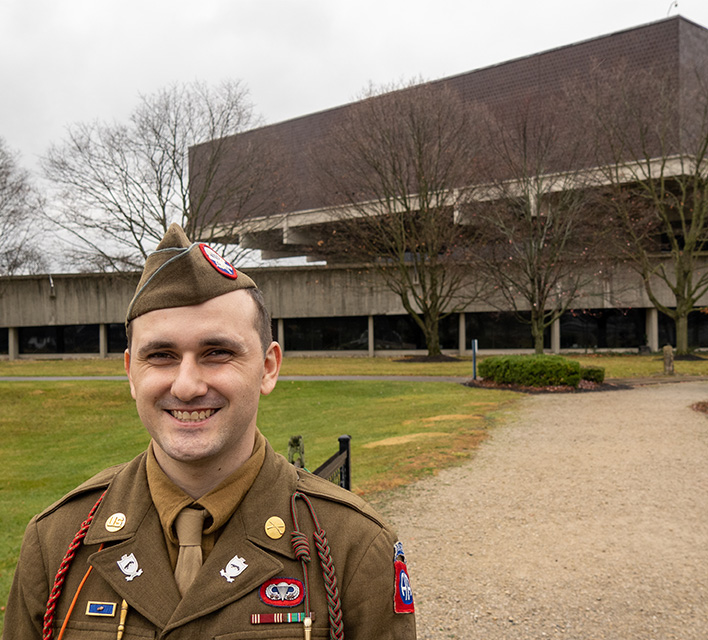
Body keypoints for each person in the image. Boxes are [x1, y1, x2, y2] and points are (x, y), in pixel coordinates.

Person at [3, 225, 417, 640]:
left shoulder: (353, 546)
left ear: (268, 368)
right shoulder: (57, 541)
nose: (186, 386)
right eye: (161, 355)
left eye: (217, 353)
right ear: (130, 371)